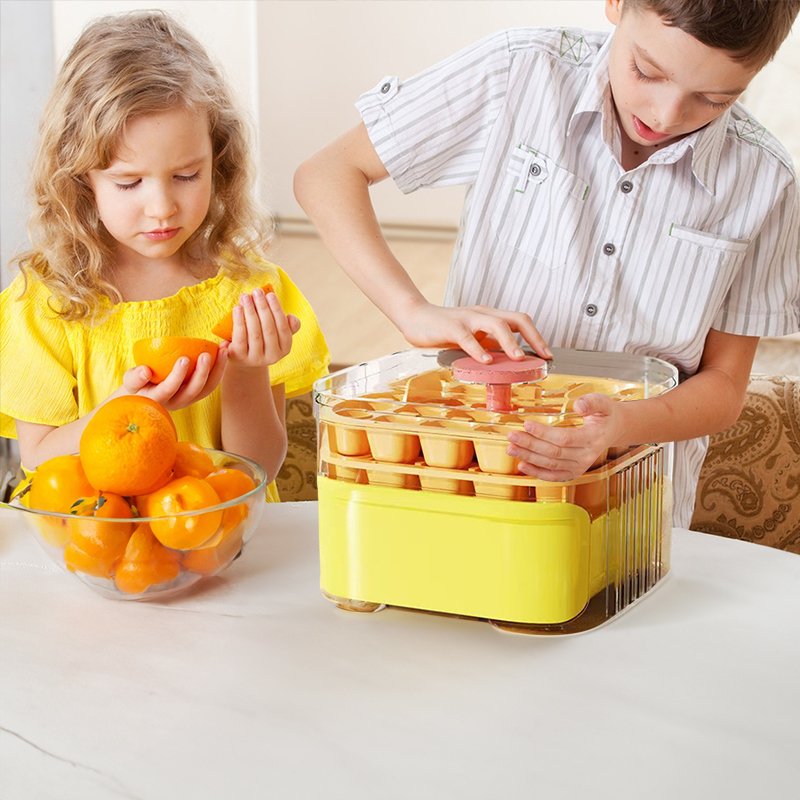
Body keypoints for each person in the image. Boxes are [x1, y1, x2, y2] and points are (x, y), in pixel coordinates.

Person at [293, 0, 800, 527]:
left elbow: (724, 388)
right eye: (646, 71)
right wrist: (410, 308)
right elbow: (328, 173)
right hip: (472, 480)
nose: (665, 115)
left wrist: (622, 425)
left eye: (714, 99)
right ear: (616, 5)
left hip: (633, 505)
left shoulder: (765, 180)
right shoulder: (521, 69)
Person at [0, 10, 330, 500]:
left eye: (186, 176)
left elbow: (258, 468)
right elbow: (39, 457)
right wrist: (125, 408)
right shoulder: (50, 300)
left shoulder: (246, 290)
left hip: (215, 532)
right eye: (128, 182)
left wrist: (246, 371)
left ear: (219, 160)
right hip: (102, 536)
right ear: (81, 179)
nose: (162, 208)